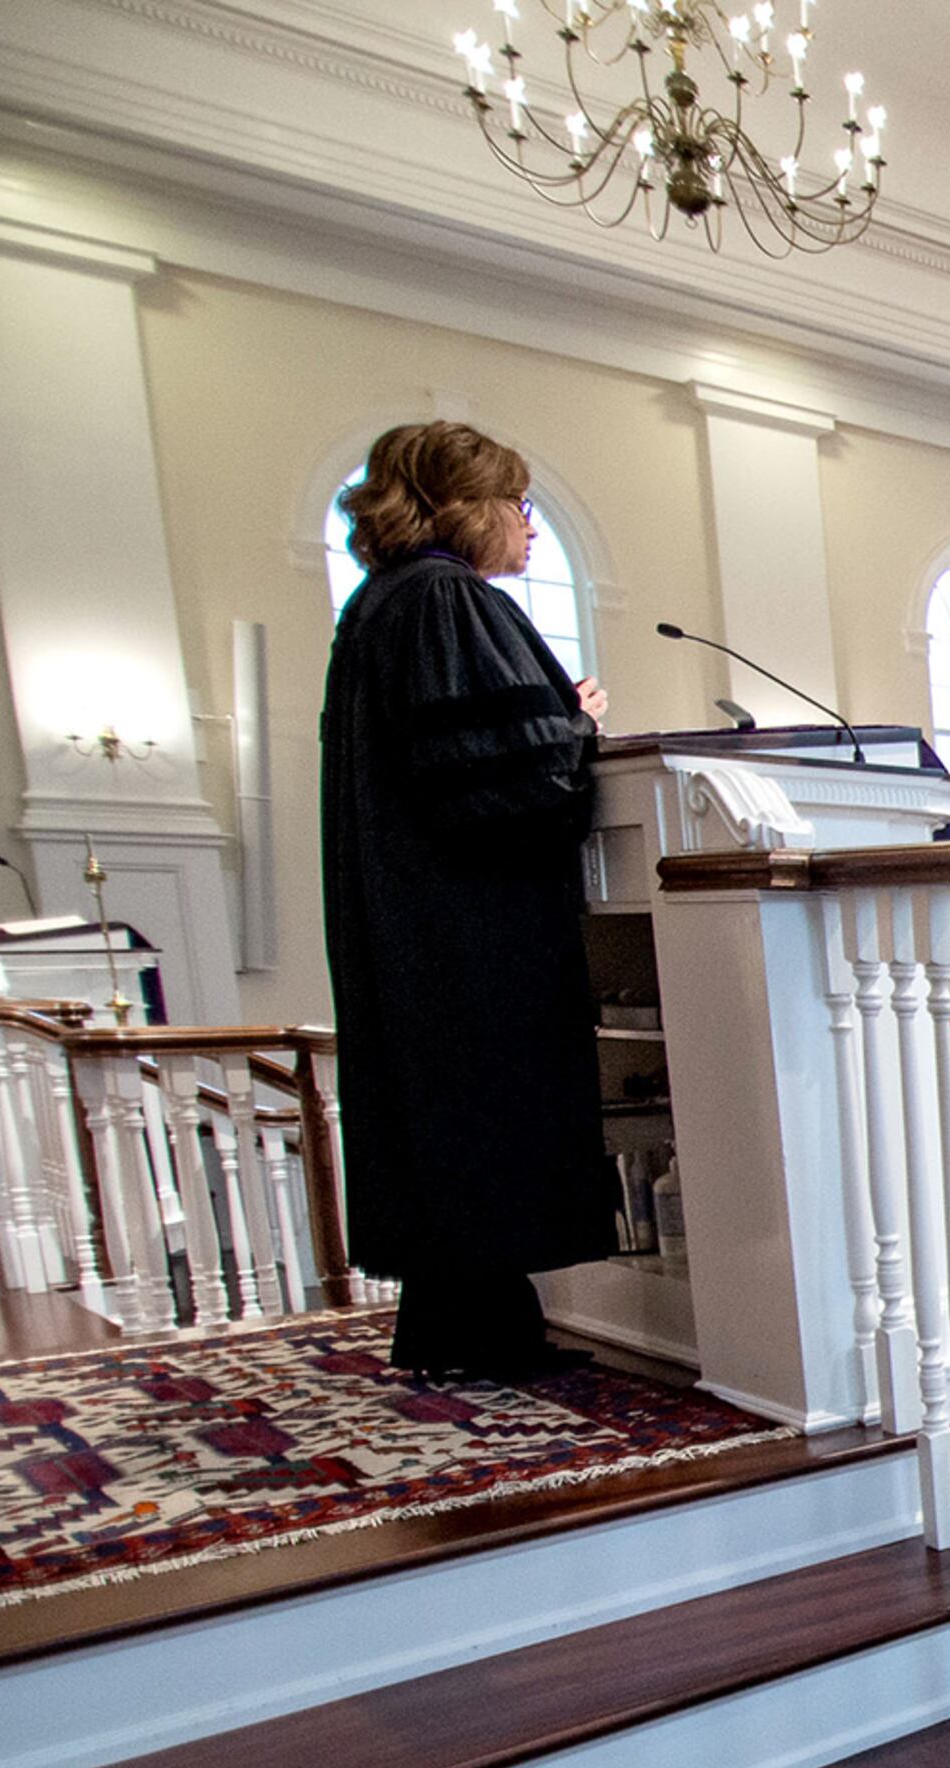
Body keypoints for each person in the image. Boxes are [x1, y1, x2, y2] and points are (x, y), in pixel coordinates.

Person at [321, 422, 612, 1381]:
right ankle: (488, 1337)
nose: (528, 528)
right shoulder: (448, 601)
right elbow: (508, 785)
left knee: (440, 1119)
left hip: (412, 920)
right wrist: (574, 726)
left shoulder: (378, 605)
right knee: (483, 1110)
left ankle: (456, 1326)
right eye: (519, 506)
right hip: (468, 928)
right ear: (471, 508)